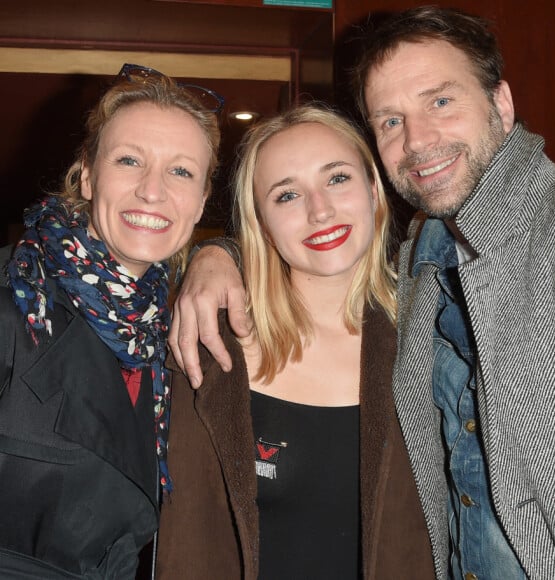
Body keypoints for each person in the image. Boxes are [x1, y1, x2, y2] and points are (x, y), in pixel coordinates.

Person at [168, 6, 555, 580]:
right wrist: (215, 254)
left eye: (440, 100)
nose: (418, 139)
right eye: (390, 120)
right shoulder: (423, 278)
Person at [155, 104, 434, 579]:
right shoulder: (204, 344)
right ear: (261, 222)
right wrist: (211, 253)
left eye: (337, 178)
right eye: (286, 195)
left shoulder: (435, 335)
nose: (319, 209)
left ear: (373, 188)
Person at [0, 63, 221, 578]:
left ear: (202, 201)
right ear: (87, 174)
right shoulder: (17, 295)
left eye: (182, 171)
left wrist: (221, 253)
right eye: (129, 160)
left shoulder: (167, 332)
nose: (152, 190)